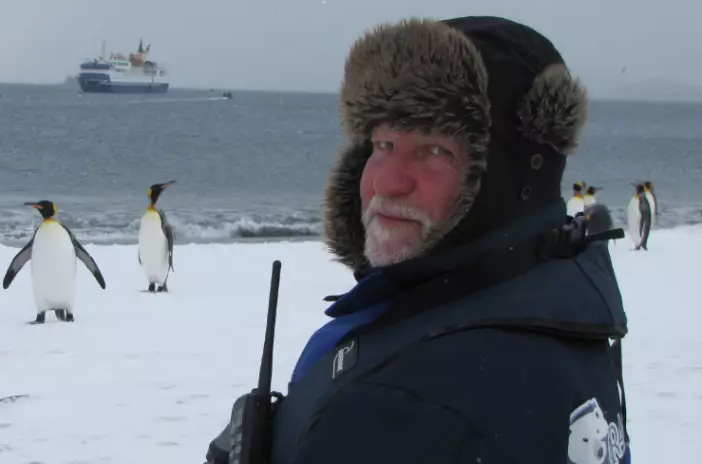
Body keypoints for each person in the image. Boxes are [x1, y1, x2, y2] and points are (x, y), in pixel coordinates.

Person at [205, 16, 630, 464]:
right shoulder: (564, 295)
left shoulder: (406, 405)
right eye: (383, 144)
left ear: (508, 180)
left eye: (434, 150)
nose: (386, 183)